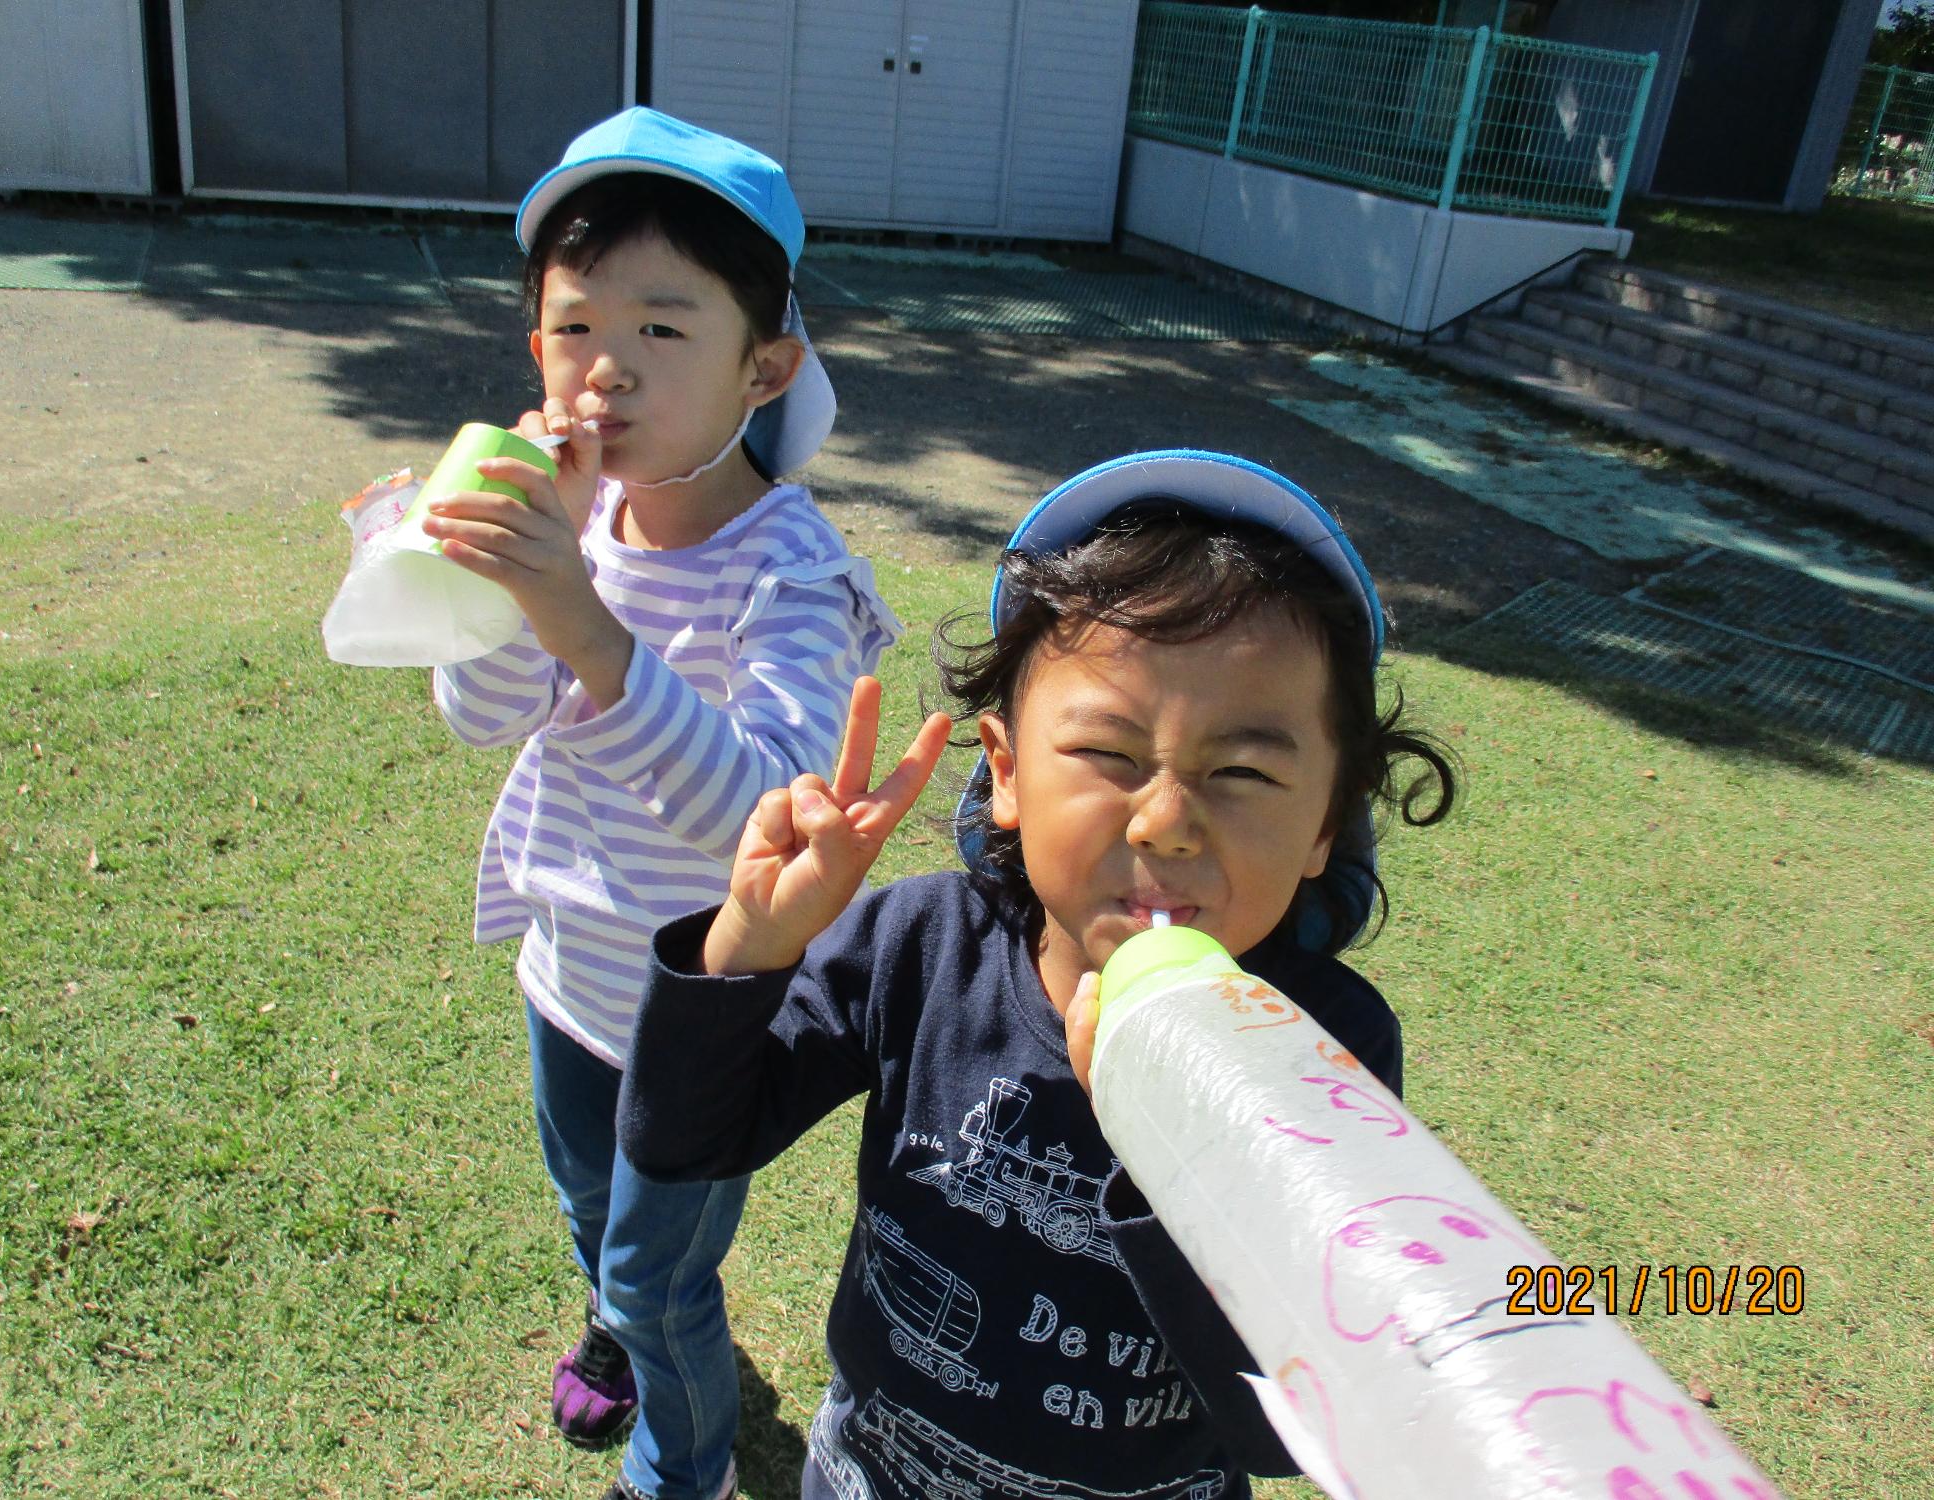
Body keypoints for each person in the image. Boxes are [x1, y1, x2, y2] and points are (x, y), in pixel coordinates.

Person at [619, 449, 1458, 1499]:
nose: (1164, 822)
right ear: (1006, 774)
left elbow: (1287, 1427)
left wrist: (1173, 1135)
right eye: (1108, 755)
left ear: (1326, 823)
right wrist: (748, 939)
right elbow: (682, 1136)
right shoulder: (917, 949)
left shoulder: (1322, 1046)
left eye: (1241, 772)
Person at [425, 107, 898, 1500]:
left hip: (701, 1015)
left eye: (663, 331)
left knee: (659, 1270)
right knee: (594, 1217)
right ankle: (619, 1325)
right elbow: (479, 719)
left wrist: (588, 629)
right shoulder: (573, 526)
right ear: (536, 353)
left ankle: (675, 1468)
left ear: (767, 366)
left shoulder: (789, 581)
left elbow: (764, 821)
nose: (606, 373)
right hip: (563, 969)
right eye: (576, 330)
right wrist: (528, 580)